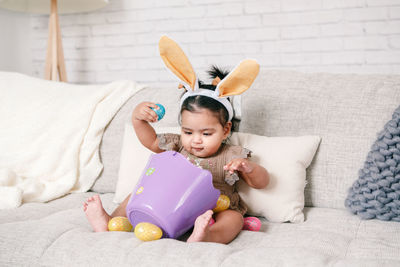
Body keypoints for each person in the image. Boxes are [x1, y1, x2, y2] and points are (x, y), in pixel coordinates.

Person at [83, 35, 269, 244]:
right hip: (173, 202)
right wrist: (138, 119)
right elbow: (151, 142)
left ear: (226, 130)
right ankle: (111, 221)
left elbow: (262, 183)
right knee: (137, 193)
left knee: (233, 218)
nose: (196, 140)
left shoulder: (231, 155)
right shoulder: (178, 146)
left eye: (206, 134)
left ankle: (207, 236)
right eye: (188, 132)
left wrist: (248, 169)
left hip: (216, 207)